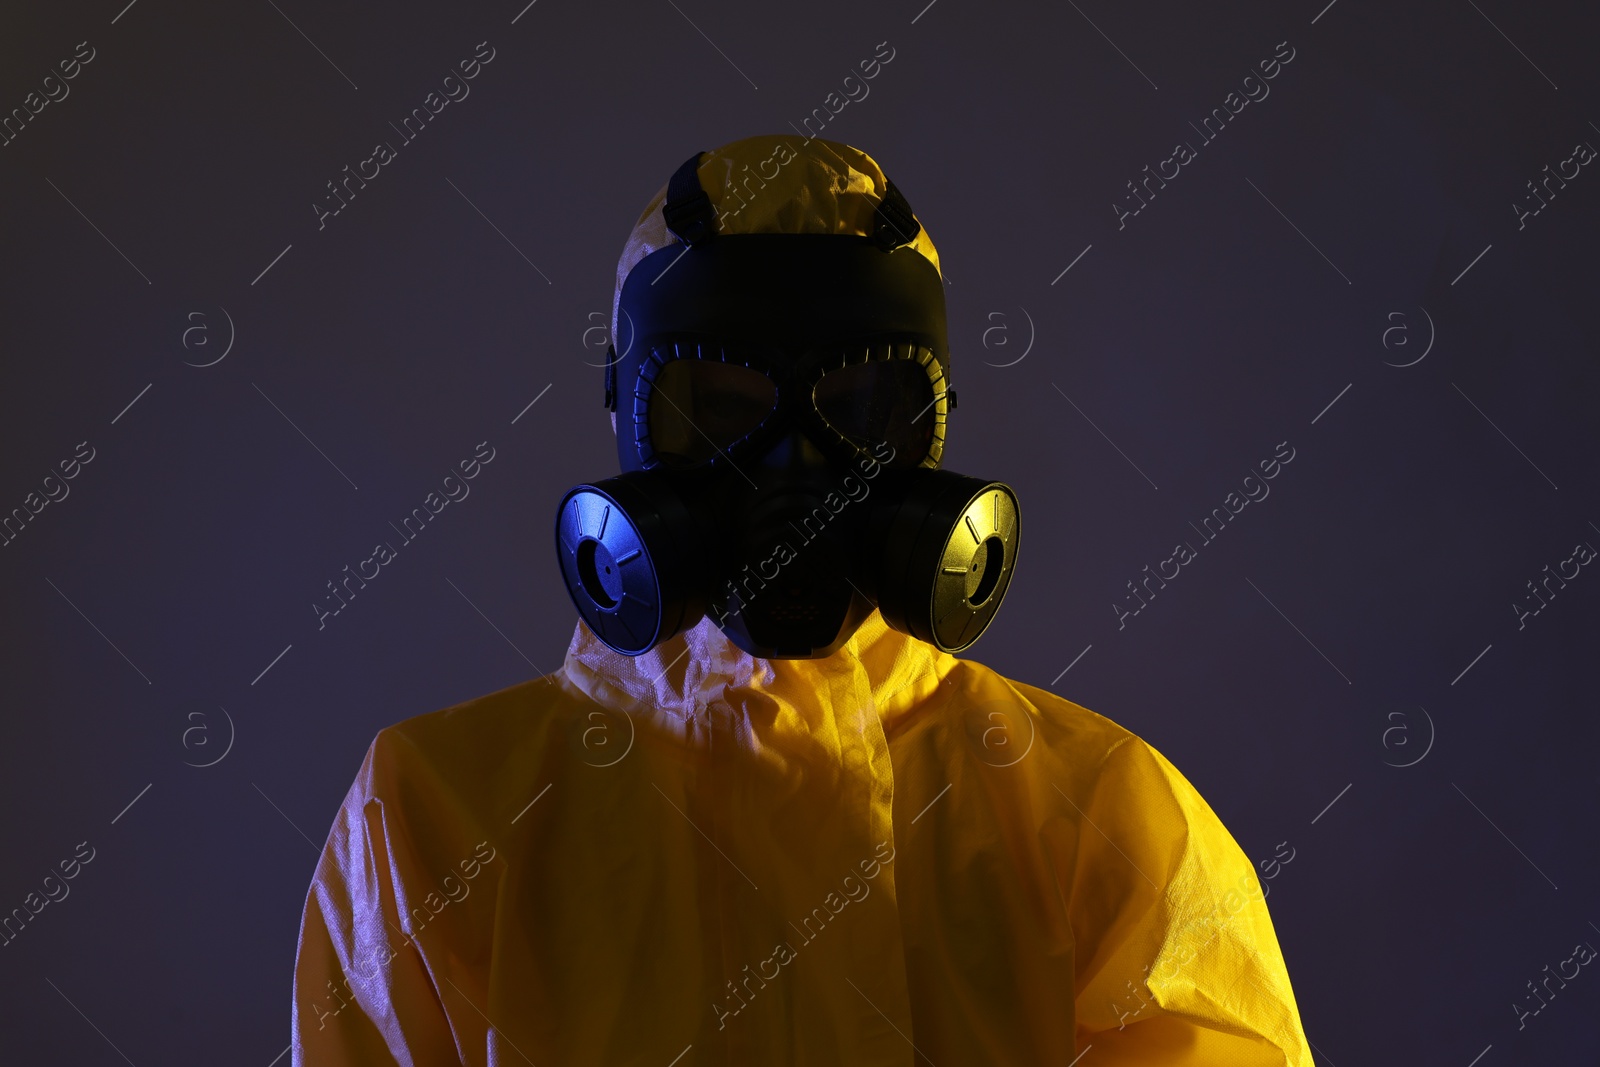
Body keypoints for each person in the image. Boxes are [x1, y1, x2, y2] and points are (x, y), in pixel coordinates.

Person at [291, 135, 1315, 1065]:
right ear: (627, 414)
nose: (792, 471)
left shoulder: (1101, 819)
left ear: (936, 425)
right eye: (722, 411)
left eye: (861, 410)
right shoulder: (431, 820)